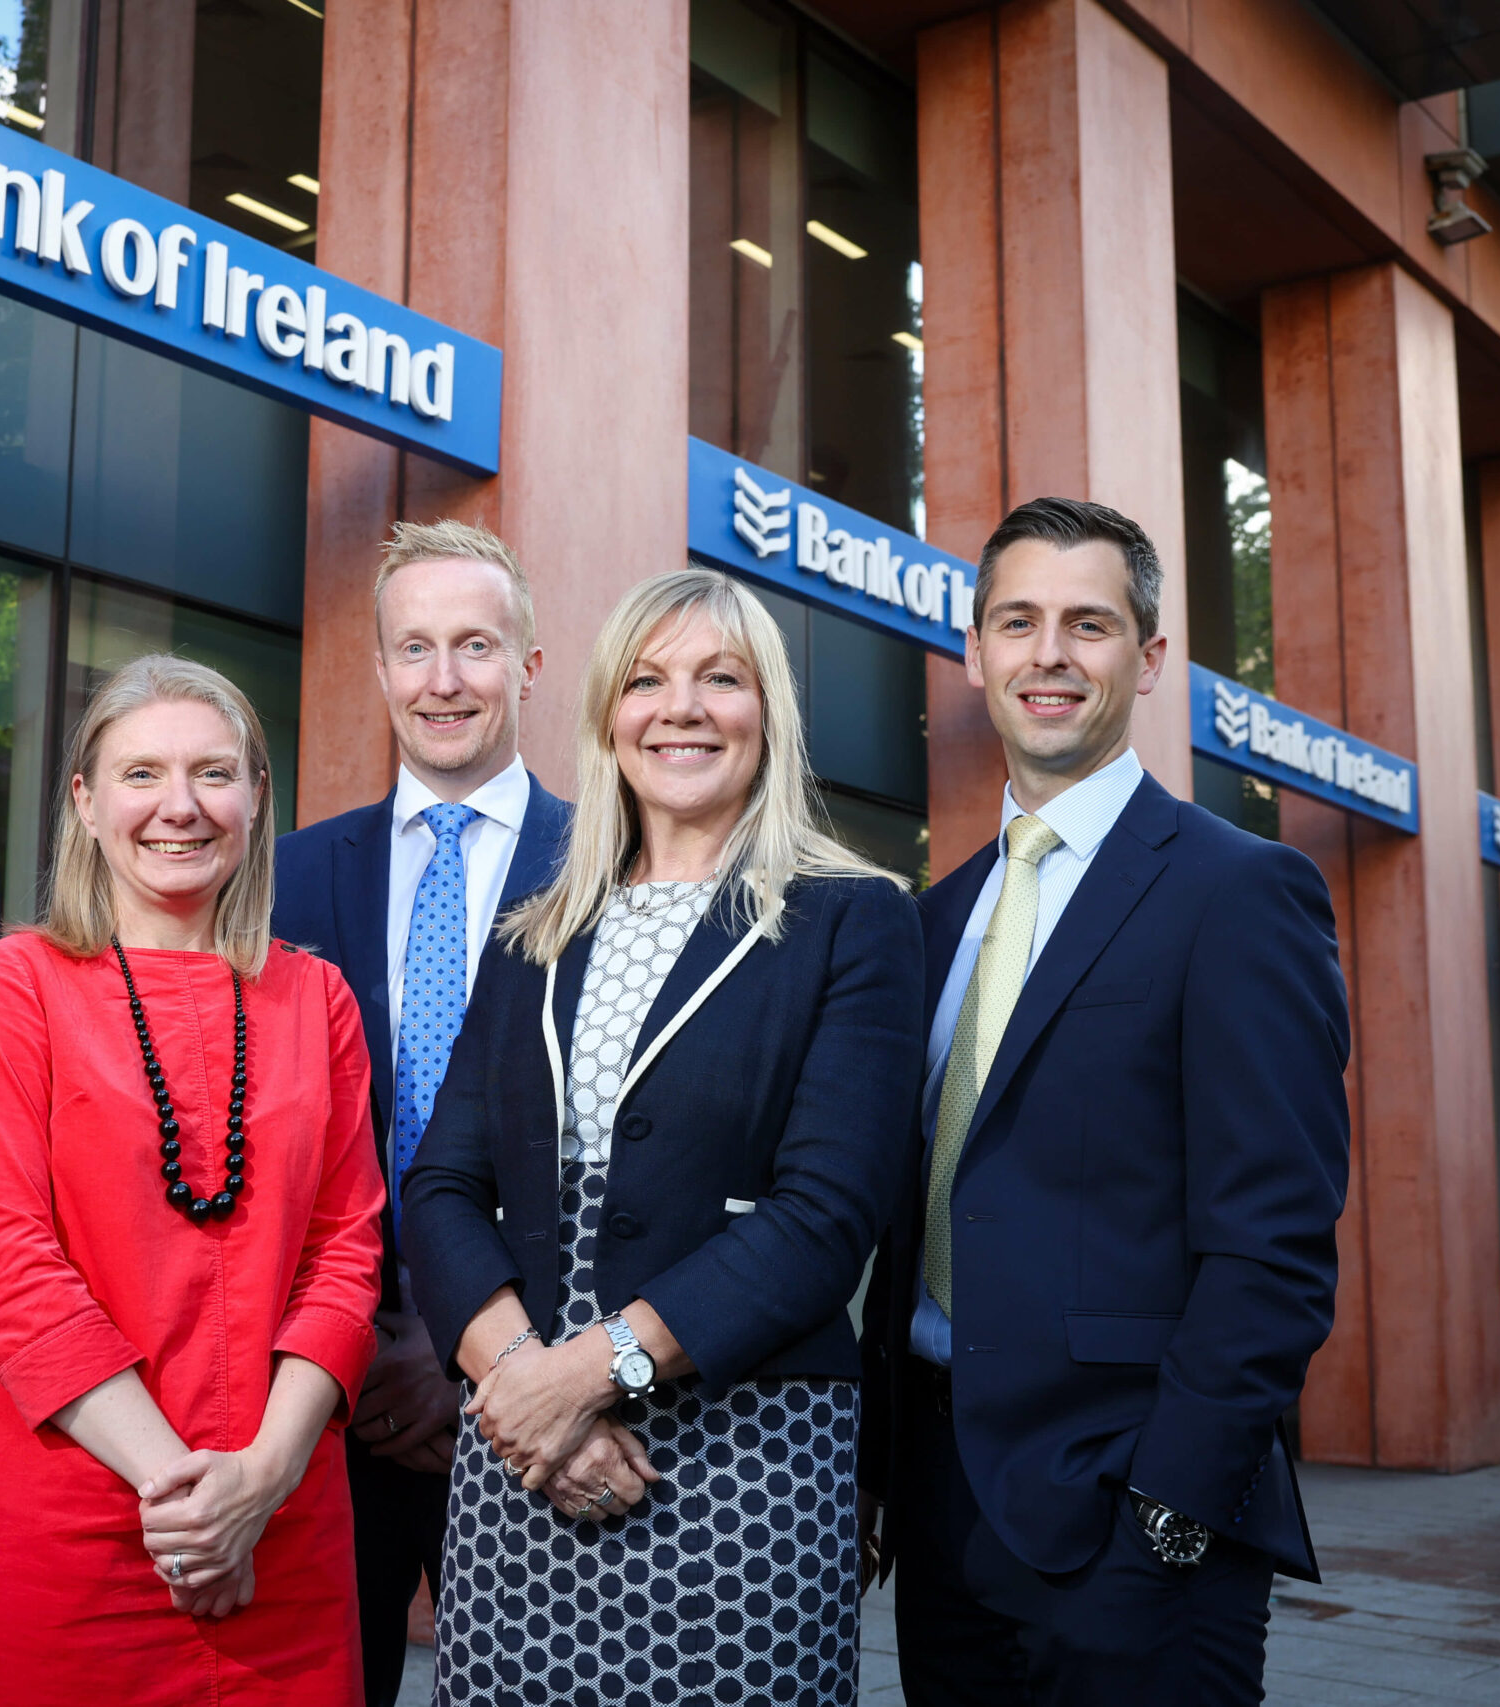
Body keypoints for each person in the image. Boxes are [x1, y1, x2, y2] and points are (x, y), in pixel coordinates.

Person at [401, 567, 924, 1705]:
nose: (679, 708)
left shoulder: (853, 918)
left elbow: (824, 1219)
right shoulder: (533, 932)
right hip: (521, 1469)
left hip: (740, 1468)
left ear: (767, 713)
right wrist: (523, 1386)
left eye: (718, 679)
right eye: (646, 681)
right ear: (606, 718)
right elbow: (440, 1184)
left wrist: (591, 1374)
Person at [859, 496, 1350, 1705]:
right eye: (1016, 622)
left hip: (1137, 1528)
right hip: (942, 1509)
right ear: (972, 656)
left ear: (1151, 657)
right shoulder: (928, 921)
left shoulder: (1240, 894)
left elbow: (1272, 1252)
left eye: (1089, 623)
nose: (1049, 655)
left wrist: (1166, 1525)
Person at [0, 654, 385, 1707]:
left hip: (282, 1532)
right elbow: (2, 1264)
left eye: (213, 774)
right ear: (83, 802)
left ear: (257, 800)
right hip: (65, 1527)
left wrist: (259, 1482)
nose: (178, 807)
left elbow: (346, 1255)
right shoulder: (14, 985)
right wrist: (188, 1501)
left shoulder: (319, 1000)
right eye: (140, 775)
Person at [270, 518, 570, 1707]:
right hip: (321, 1407)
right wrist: (360, 1349)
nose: (443, 681)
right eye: (415, 649)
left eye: (476, 647)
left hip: (539, 1396)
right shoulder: (288, 877)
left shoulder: (612, 864)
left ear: (529, 668)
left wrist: (473, 1357)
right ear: (380, 668)